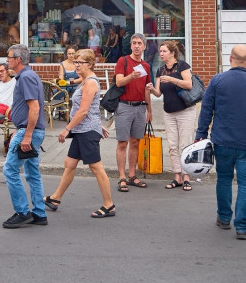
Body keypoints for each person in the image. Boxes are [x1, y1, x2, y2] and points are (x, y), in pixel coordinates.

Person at [43, 49, 115, 218]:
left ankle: (109, 204)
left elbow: (83, 111)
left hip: (86, 131)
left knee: (96, 167)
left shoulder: (90, 82)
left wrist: (67, 128)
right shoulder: (84, 81)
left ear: (89, 64)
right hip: (83, 129)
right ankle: (55, 198)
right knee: (69, 164)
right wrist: (97, 124)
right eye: (75, 62)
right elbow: (91, 109)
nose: (76, 65)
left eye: (79, 63)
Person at [195, 44, 246, 240]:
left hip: (222, 140)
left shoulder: (217, 80)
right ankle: (242, 227)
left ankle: (224, 218)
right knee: (244, 184)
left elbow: (206, 110)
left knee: (224, 179)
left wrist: (201, 134)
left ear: (230, 59)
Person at [2, 44, 46, 228]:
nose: (7, 60)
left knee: (10, 170)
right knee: (32, 173)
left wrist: (26, 136)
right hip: (30, 130)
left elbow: (34, 108)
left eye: (9, 57)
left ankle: (22, 211)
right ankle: (39, 213)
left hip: (30, 131)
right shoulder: (27, 76)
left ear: (18, 60)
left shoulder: (26, 77)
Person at [146, 41, 194, 191]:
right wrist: (152, 88)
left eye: (164, 51)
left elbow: (189, 84)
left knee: (185, 144)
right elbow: (159, 93)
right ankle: (177, 177)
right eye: (160, 51)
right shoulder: (160, 70)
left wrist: (172, 79)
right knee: (172, 145)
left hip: (185, 111)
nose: (161, 54)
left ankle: (187, 177)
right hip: (169, 112)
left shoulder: (182, 66)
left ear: (172, 53)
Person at [114, 33, 152, 192]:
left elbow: (146, 89)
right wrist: (131, 76)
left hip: (140, 107)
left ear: (144, 47)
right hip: (124, 106)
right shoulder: (123, 61)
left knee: (135, 142)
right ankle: (122, 177)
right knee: (122, 142)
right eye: (134, 43)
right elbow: (118, 82)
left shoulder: (146, 66)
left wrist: (149, 110)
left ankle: (132, 175)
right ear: (130, 46)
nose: (137, 46)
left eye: (139, 43)